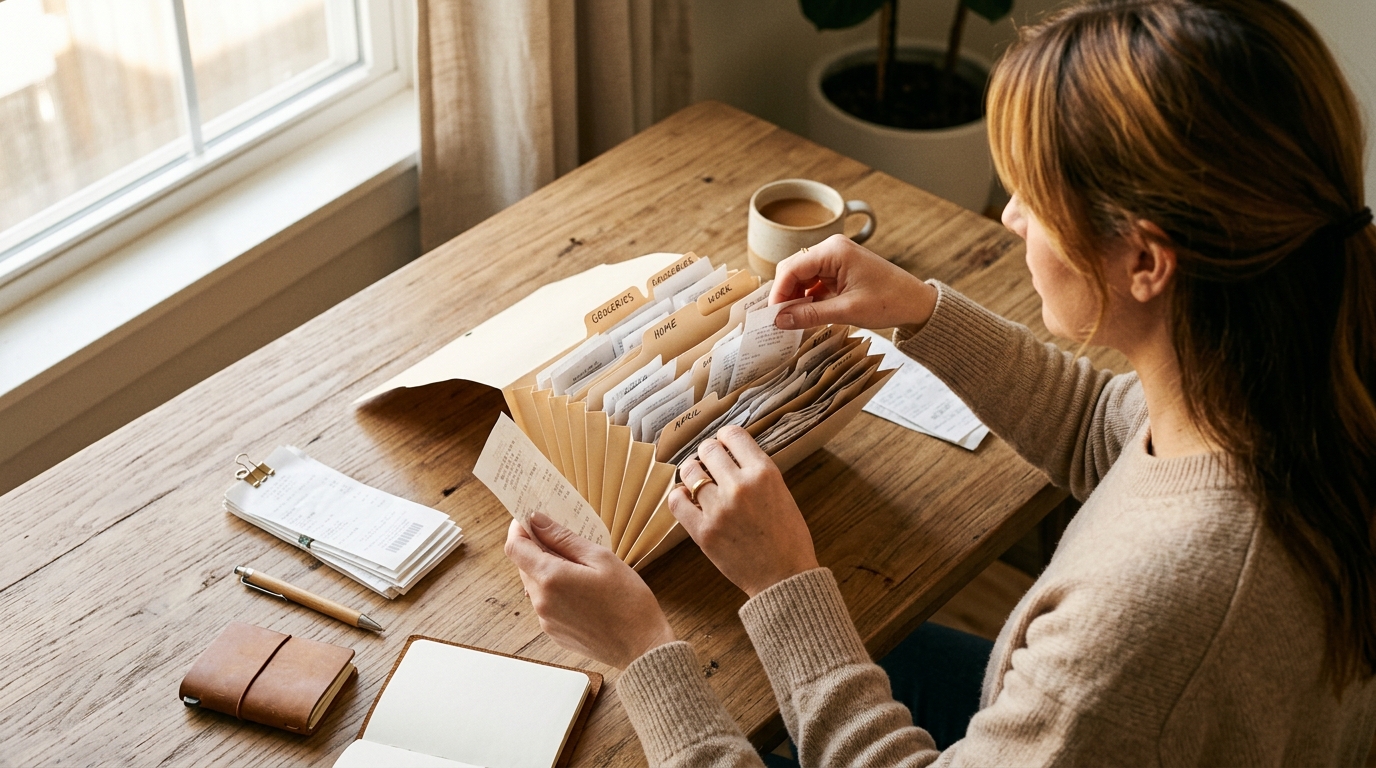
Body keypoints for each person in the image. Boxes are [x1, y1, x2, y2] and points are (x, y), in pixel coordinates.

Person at [504, 0, 1376, 763]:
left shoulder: (1142, 624)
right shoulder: (1302, 374)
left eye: (1033, 194)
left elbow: (1120, 660)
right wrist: (919, 309)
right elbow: (1107, 435)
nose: (1009, 216)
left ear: (1145, 259)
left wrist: (659, 647)